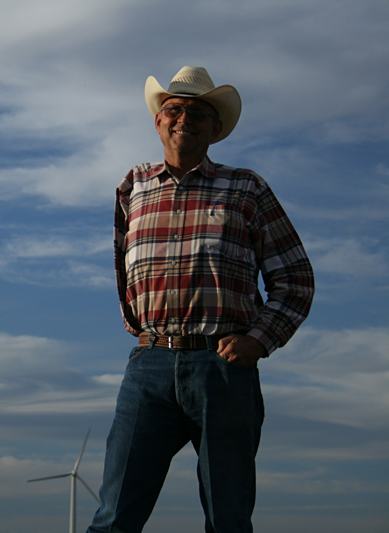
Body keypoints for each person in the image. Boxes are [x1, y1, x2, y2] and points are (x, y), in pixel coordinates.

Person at [86, 66, 315, 533]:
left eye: (198, 113)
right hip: (148, 367)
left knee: (228, 518)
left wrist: (258, 340)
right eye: (174, 109)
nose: (184, 119)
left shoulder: (247, 188)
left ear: (216, 128)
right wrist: (145, 334)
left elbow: (295, 279)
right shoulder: (133, 186)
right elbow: (123, 272)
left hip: (223, 368)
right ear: (158, 121)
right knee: (113, 517)